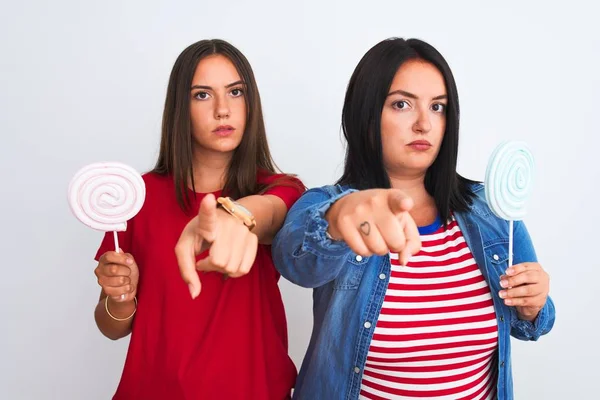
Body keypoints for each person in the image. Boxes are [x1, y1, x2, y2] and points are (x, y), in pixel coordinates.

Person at [272, 37, 554, 400]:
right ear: (366, 114)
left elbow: (532, 323)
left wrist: (534, 304)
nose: (424, 123)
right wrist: (341, 216)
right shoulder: (330, 207)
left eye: (438, 107)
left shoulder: (491, 211)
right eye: (402, 104)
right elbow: (294, 258)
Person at [93, 38, 304, 399]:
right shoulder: (137, 197)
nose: (223, 109)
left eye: (235, 92)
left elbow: (271, 214)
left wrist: (236, 216)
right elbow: (113, 328)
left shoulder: (282, 191)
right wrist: (120, 297)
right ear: (180, 108)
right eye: (202, 95)